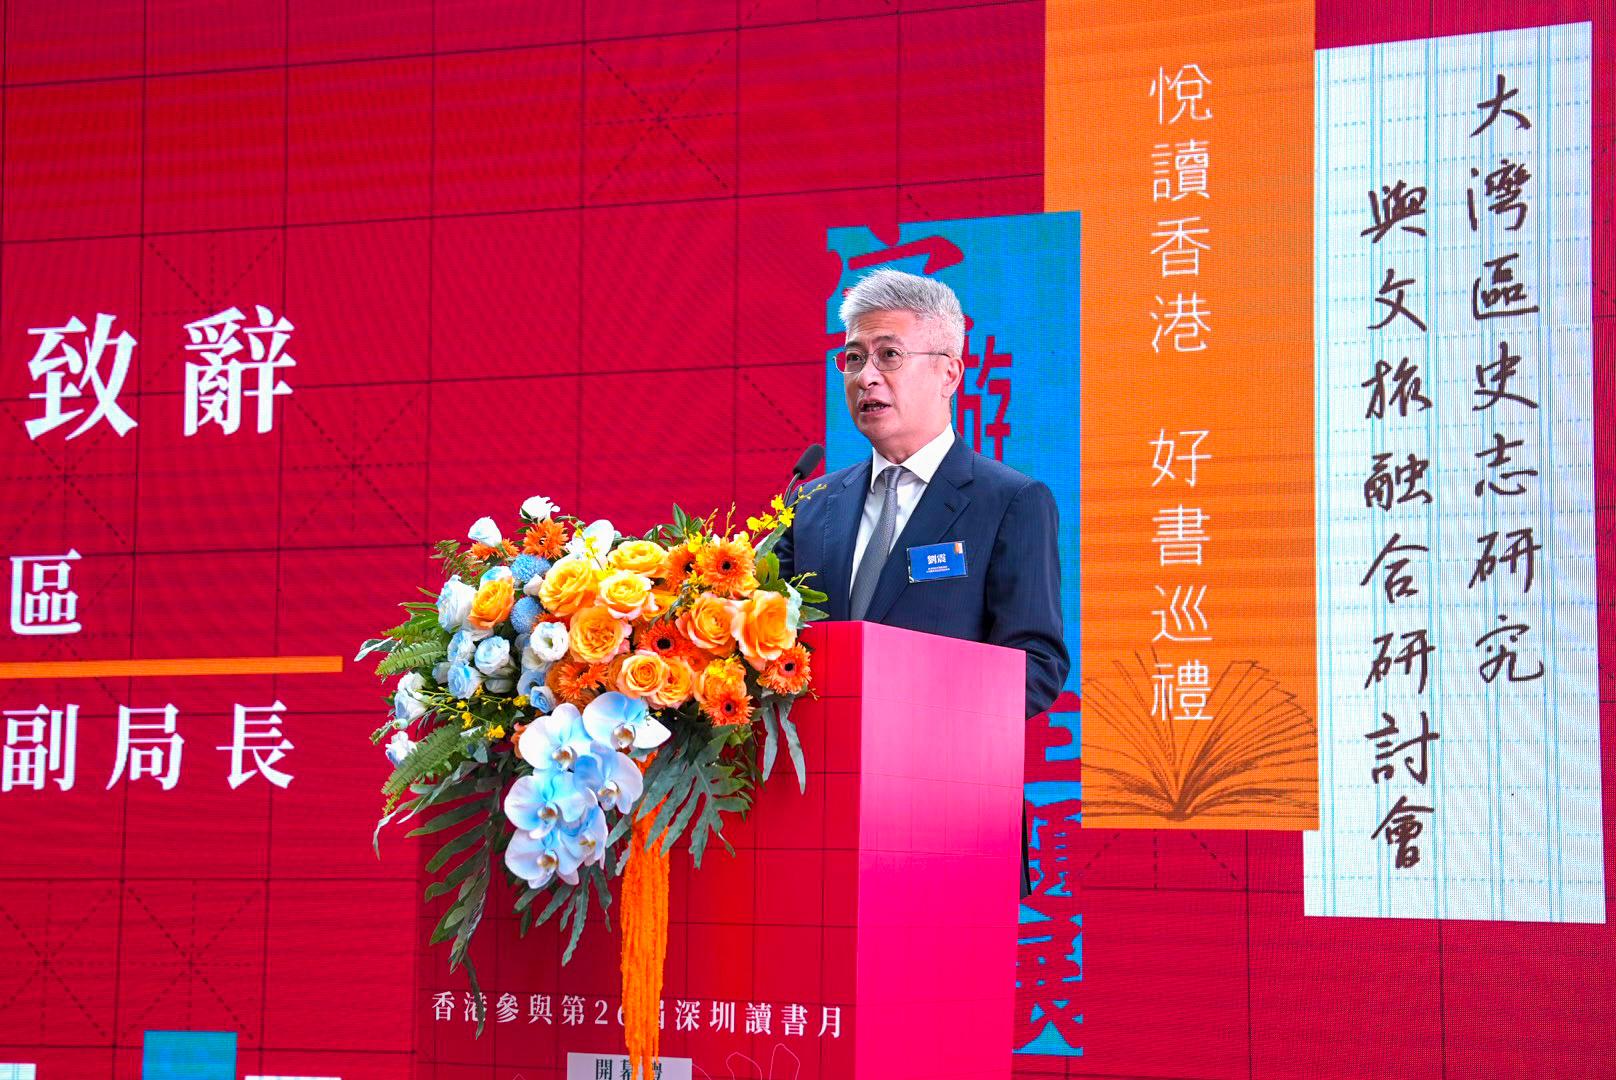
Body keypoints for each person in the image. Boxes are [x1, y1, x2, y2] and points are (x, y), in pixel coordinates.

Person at [775, 268, 1069, 719]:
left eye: (888, 355)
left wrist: (917, 713)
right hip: (822, 774)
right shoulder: (810, 503)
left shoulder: (1011, 502)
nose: (865, 377)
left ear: (949, 373)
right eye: (853, 358)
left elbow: (1036, 665)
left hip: (938, 771)